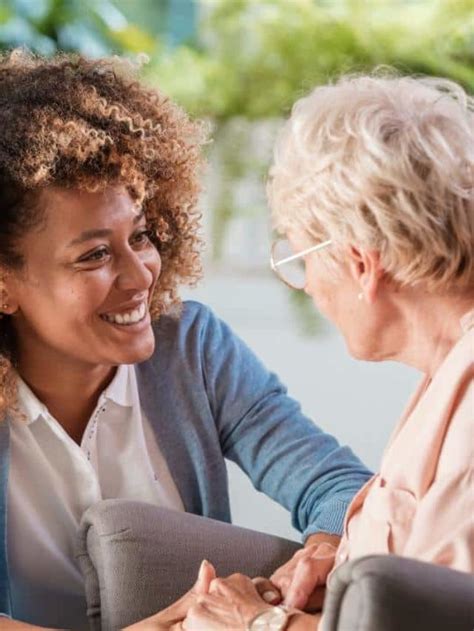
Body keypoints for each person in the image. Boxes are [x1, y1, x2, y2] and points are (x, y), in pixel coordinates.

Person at [0, 50, 371, 630]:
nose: (141, 273)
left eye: (141, 236)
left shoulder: (192, 349)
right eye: (95, 254)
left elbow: (335, 484)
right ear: (5, 284)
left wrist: (322, 551)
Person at [179, 71, 474, 631]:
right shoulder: (445, 372)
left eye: (301, 255)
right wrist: (334, 560)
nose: (308, 285)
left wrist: (259, 624)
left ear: (361, 264)